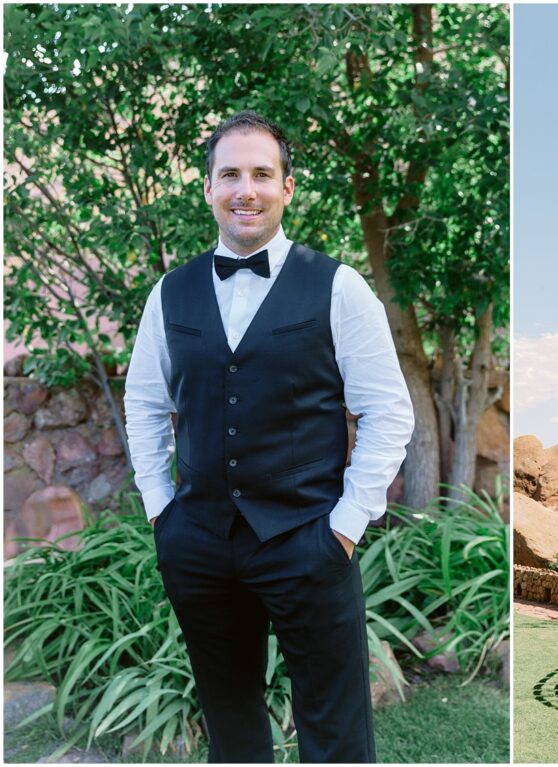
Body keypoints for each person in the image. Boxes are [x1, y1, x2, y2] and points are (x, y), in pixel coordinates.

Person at [124, 110, 415, 763]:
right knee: (230, 721)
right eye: (230, 174)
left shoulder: (339, 287)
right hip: (198, 542)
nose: (245, 189)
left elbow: (388, 411)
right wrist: (160, 510)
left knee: (335, 730)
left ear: (287, 187)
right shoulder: (169, 294)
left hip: (307, 539)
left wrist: (343, 525)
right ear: (207, 188)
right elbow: (143, 404)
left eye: (262, 173)